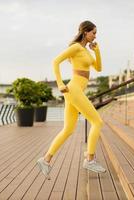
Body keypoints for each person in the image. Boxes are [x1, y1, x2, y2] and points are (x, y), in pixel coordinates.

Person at [36, 20, 106, 180]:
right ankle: (90, 159)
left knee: (68, 129)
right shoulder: (75, 47)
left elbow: (99, 68)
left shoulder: (86, 50)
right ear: (85, 32)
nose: (95, 36)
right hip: (72, 89)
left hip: (76, 90)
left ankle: (45, 160)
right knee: (97, 122)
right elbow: (56, 61)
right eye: (93, 33)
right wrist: (60, 83)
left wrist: (97, 50)